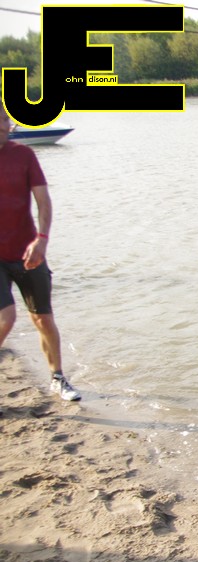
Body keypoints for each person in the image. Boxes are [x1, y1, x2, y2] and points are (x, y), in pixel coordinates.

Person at [0, 108, 81, 401]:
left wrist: (41, 240)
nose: (2, 126)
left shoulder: (24, 155)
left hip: (28, 251)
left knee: (43, 319)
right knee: (6, 318)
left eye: (4, 120)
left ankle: (58, 378)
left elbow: (43, 201)